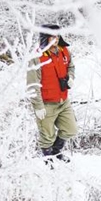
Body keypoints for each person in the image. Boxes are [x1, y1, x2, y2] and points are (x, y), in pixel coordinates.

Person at [27, 24, 77, 166]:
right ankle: (48, 160)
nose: (55, 40)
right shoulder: (36, 57)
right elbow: (32, 84)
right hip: (46, 103)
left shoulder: (64, 51)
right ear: (44, 38)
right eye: (52, 37)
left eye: (57, 36)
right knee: (46, 135)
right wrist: (38, 106)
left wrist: (71, 77)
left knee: (71, 129)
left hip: (63, 100)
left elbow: (71, 66)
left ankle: (56, 152)